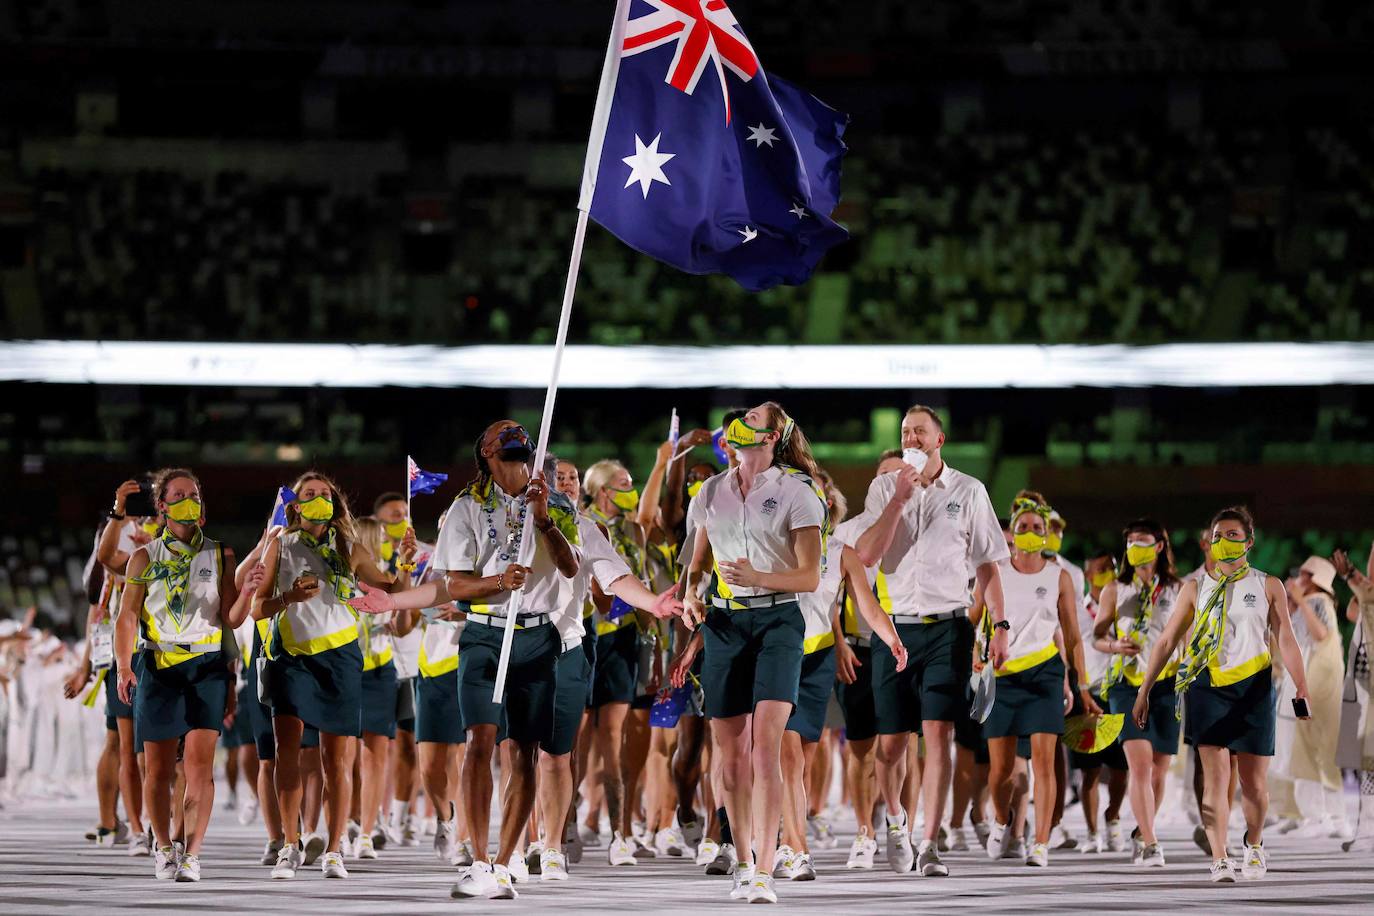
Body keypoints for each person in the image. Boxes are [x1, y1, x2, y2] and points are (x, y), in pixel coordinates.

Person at [350, 421, 579, 900]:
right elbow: (453, 583)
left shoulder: (554, 501)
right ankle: (477, 858)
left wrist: (543, 520)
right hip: (484, 636)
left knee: (524, 754)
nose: (517, 438)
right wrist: (497, 583)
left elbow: (571, 566)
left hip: (539, 638)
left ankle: (504, 861)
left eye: (520, 434)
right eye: (505, 436)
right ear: (488, 452)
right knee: (479, 741)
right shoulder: (467, 507)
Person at [853, 405, 1010, 878]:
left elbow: (988, 567)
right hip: (895, 628)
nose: (912, 438)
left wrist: (1000, 627)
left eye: (920, 431)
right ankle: (897, 821)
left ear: (939, 440)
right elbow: (867, 554)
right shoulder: (884, 487)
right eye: (905, 432)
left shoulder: (970, 491)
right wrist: (898, 497)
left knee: (939, 733)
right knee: (892, 744)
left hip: (950, 626)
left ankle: (930, 841)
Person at [680, 401, 825, 904]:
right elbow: (697, 563)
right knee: (731, 755)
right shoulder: (711, 491)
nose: (740, 424)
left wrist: (758, 577)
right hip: (724, 623)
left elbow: (810, 576)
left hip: (779, 620)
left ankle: (765, 866)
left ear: (770, 438)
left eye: (755, 420)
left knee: (766, 746)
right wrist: (692, 594)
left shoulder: (797, 492)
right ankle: (743, 858)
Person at [252, 471, 415, 881]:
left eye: (325, 494)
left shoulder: (348, 544)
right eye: (310, 494)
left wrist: (407, 561)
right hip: (290, 656)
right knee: (287, 752)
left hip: (341, 657)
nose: (319, 499)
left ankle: (335, 848)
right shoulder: (280, 544)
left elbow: (388, 587)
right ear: (296, 505)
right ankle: (292, 843)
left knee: (336, 759)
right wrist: (289, 597)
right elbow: (256, 608)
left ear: (336, 503)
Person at [1133, 506, 1311, 882]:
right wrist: (1145, 688)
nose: (1224, 542)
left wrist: (1301, 684)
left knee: (1254, 785)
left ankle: (1255, 843)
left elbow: (1287, 640)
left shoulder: (1268, 585)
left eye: (1233, 535)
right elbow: (1166, 640)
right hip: (1206, 686)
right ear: (1209, 542)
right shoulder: (1195, 588)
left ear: (1249, 541)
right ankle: (1219, 856)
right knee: (1214, 779)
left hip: (1255, 688)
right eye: (1218, 535)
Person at [113, 468, 261, 882]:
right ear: (162, 506)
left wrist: (247, 590)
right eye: (178, 494)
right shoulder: (143, 557)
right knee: (158, 771)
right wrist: (124, 665)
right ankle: (163, 846)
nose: (188, 500)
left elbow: (232, 619)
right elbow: (127, 616)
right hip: (158, 665)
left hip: (207, 666)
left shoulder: (220, 554)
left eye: (193, 494)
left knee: (200, 767)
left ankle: (192, 853)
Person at [981, 497, 1100, 867]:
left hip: (1045, 673)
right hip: (1003, 674)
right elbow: (974, 617)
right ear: (1011, 533)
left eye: (1037, 528)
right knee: (1000, 771)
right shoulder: (994, 571)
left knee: (1045, 763)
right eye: (1023, 527)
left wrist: (1079, 684)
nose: (1030, 533)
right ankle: (1002, 821)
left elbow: (1073, 635)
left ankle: (1041, 843)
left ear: (1047, 533)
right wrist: (976, 650)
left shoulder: (1059, 576)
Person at [1091, 518, 1183, 867]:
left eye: (1142, 541)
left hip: (1166, 682)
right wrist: (1115, 645)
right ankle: (1151, 844)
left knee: (1160, 769)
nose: (1134, 547)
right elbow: (1097, 637)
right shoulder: (1115, 589)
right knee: (1140, 766)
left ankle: (1142, 830)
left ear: (1159, 546)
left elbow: (1184, 637)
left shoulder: (1177, 589)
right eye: (1130, 541)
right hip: (1125, 684)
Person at [829, 451, 903, 867]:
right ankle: (864, 831)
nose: (889, 485)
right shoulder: (848, 533)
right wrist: (838, 640)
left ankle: (898, 825)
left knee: (899, 742)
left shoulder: (921, 531)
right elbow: (829, 596)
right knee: (860, 747)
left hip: (900, 646)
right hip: (857, 646)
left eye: (898, 477)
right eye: (882, 478)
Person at [1274, 557, 1346, 837]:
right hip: (1308, 678)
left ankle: (1323, 817)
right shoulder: (1311, 601)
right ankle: (1321, 817)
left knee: (1313, 747)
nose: (1298, 578)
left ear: (1315, 578)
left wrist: (1298, 601)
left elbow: (1319, 634)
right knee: (1306, 747)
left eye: (1303, 574)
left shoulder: (1317, 601)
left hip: (1316, 681)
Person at [1071, 549, 1129, 854]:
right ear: (1089, 575)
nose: (1110, 571)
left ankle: (1113, 816)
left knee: (1122, 767)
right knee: (1089, 770)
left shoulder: (1125, 606)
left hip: (1119, 691)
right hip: (1089, 692)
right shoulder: (1079, 610)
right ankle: (1093, 832)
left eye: (1113, 566)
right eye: (1102, 568)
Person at [1334, 546, 1374, 851]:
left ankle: (1368, 830)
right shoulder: (1366, 597)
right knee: (1364, 757)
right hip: (1361, 680)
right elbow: (1352, 612)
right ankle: (1366, 829)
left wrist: (1351, 576)